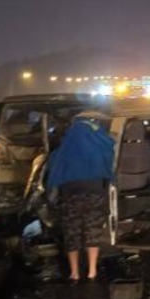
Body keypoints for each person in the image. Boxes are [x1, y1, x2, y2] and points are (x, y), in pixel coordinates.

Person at [47, 111, 115, 282]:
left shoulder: (66, 146)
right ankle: (92, 270)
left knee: (72, 233)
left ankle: (74, 272)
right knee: (93, 231)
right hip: (94, 193)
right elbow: (109, 149)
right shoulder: (97, 142)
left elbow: (53, 169)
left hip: (70, 195)